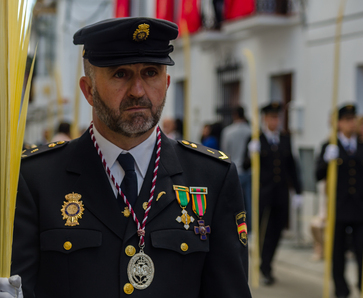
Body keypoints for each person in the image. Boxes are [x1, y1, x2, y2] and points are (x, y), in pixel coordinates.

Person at [0, 17, 251, 298]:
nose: (138, 91)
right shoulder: (36, 178)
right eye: (120, 74)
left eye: (150, 73)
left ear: (166, 83)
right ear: (89, 90)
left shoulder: (212, 177)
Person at [315, 104, 363, 298]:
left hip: (360, 208)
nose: (351, 123)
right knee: (337, 253)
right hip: (338, 207)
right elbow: (317, 174)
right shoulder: (329, 146)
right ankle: (341, 289)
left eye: (353, 119)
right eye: (347, 120)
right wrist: (326, 160)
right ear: (338, 123)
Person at [243, 102, 302, 286]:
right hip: (263, 192)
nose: (275, 121)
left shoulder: (285, 139)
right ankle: (261, 263)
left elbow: (291, 165)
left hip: (281, 193)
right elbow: (245, 166)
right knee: (261, 229)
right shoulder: (256, 139)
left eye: (277, 117)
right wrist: (251, 154)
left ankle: (267, 263)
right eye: (271, 117)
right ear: (264, 119)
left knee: (276, 231)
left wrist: (298, 191)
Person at [221, 106, 252, 229]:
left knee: (234, 203)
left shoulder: (228, 132)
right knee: (249, 203)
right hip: (248, 171)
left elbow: (224, 152)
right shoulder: (250, 131)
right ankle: (249, 229)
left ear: (235, 115)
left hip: (233, 170)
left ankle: (235, 227)